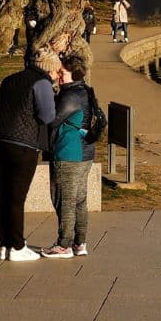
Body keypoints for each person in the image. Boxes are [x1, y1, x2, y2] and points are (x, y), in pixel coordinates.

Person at [0, 49, 58, 261]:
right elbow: (47, 115)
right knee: (17, 197)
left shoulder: (9, 79)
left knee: (4, 195)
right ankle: (17, 246)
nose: (57, 74)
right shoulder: (42, 84)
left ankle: (5, 243)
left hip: (0, 141)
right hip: (24, 145)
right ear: (48, 67)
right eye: (56, 69)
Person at [41, 55, 99, 258]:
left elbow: (51, 120)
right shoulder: (85, 90)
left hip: (68, 152)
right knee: (79, 200)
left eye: (62, 72)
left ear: (73, 74)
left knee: (64, 199)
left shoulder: (70, 95)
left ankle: (63, 245)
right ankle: (79, 242)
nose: (58, 75)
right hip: (85, 152)